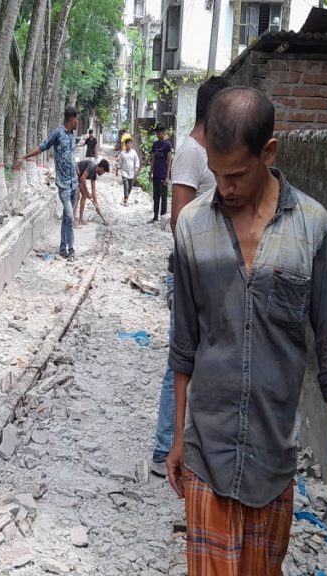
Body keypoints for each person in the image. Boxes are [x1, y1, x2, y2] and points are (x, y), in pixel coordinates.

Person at [167, 87, 327, 575]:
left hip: (272, 465)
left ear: (268, 152)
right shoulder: (192, 227)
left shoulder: (313, 228)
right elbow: (184, 345)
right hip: (207, 455)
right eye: (216, 174)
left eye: (236, 175)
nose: (224, 188)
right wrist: (177, 436)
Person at [151, 76, 231, 478]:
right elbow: (179, 221)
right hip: (191, 275)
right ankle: (164, 448)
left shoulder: (211, 153)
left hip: (210, 275)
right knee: (180, 365)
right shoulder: (190, 154)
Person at [21, 108, 80, 260]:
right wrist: (25, 157)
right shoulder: (58, 133)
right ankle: (71, 250)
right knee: (70, 216)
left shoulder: (73, 136)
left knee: (67, 218)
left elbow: (71, 158)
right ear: (71, 120)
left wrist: (77, 173)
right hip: (63, 185)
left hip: (74, 184)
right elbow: (42, 147)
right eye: (76, 120)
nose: (78, 123)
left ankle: (62, 249)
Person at [75, 157, 110, 225]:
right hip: (74, 173)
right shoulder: (92, 165)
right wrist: (87, 193)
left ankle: (80, 219)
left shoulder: (94, 175)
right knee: (77, 196)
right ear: (101, 168)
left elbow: (93, 190)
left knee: (84, 195)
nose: (102, 174)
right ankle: (72, 220)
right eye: (103, 172)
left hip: (79, 177)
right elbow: (83, 178)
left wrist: (97, 206)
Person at [149, 124, 173, 221]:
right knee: (155, 196)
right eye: (157, 133)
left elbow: (169, 161)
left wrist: (167, 176)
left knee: (164, 197)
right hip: (156, 174)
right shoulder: (155, 144)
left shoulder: (167, 145)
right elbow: (153, 159)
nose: (158, 135)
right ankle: (155, 216)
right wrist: (150, 172)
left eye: (159, 133)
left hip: (163, 174)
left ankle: (163, 217)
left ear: (163, 133)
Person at [117, 138, 141, 205]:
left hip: (131, 172)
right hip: (124, 172)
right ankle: (126, 199)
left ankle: (126, 196)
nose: (129, 144)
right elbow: (120, 162)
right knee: (126, 185)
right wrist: (117, 170)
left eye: (130, 143)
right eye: (128, 143)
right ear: (125, 144)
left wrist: (137, 167)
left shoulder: (134, 152)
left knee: (130, 186)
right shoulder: (122, 153)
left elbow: (137, 160)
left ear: (132, 145)